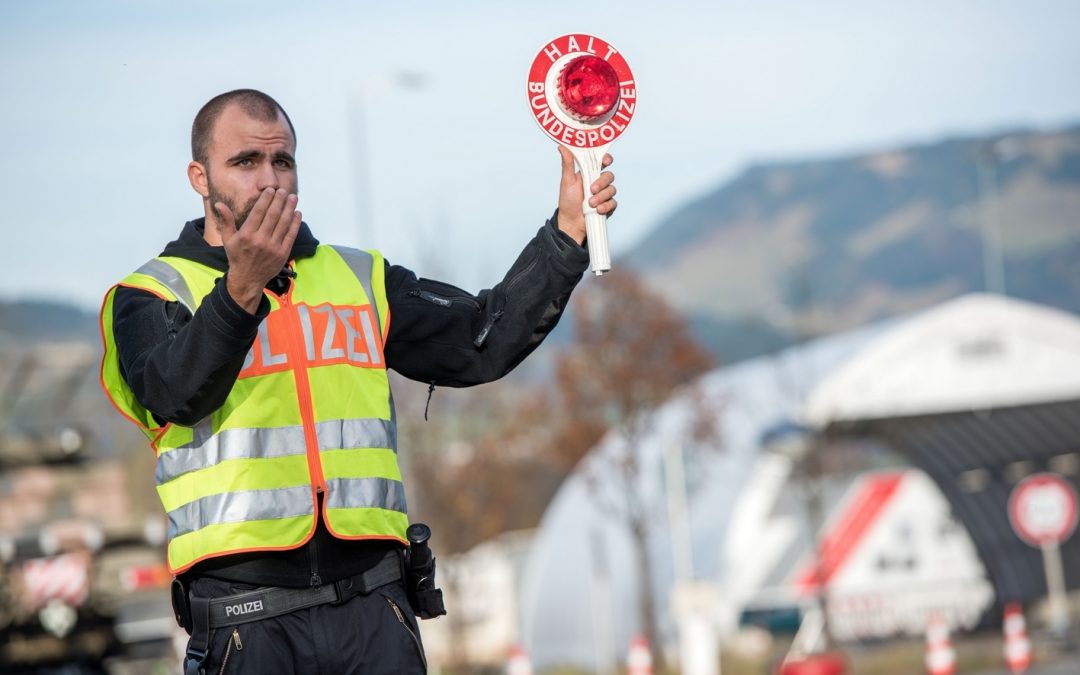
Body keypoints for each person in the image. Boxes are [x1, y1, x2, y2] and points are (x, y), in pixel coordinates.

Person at [99, 88, 617, 674]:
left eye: (283, 161)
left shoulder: (358, 276)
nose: (270, 179)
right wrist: (242, 288)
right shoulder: (150, 296)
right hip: (247, 623)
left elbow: (482, 340)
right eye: (245, 162)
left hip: (374, 609)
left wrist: (567, 233)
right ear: (200, 176)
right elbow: (172, 393)